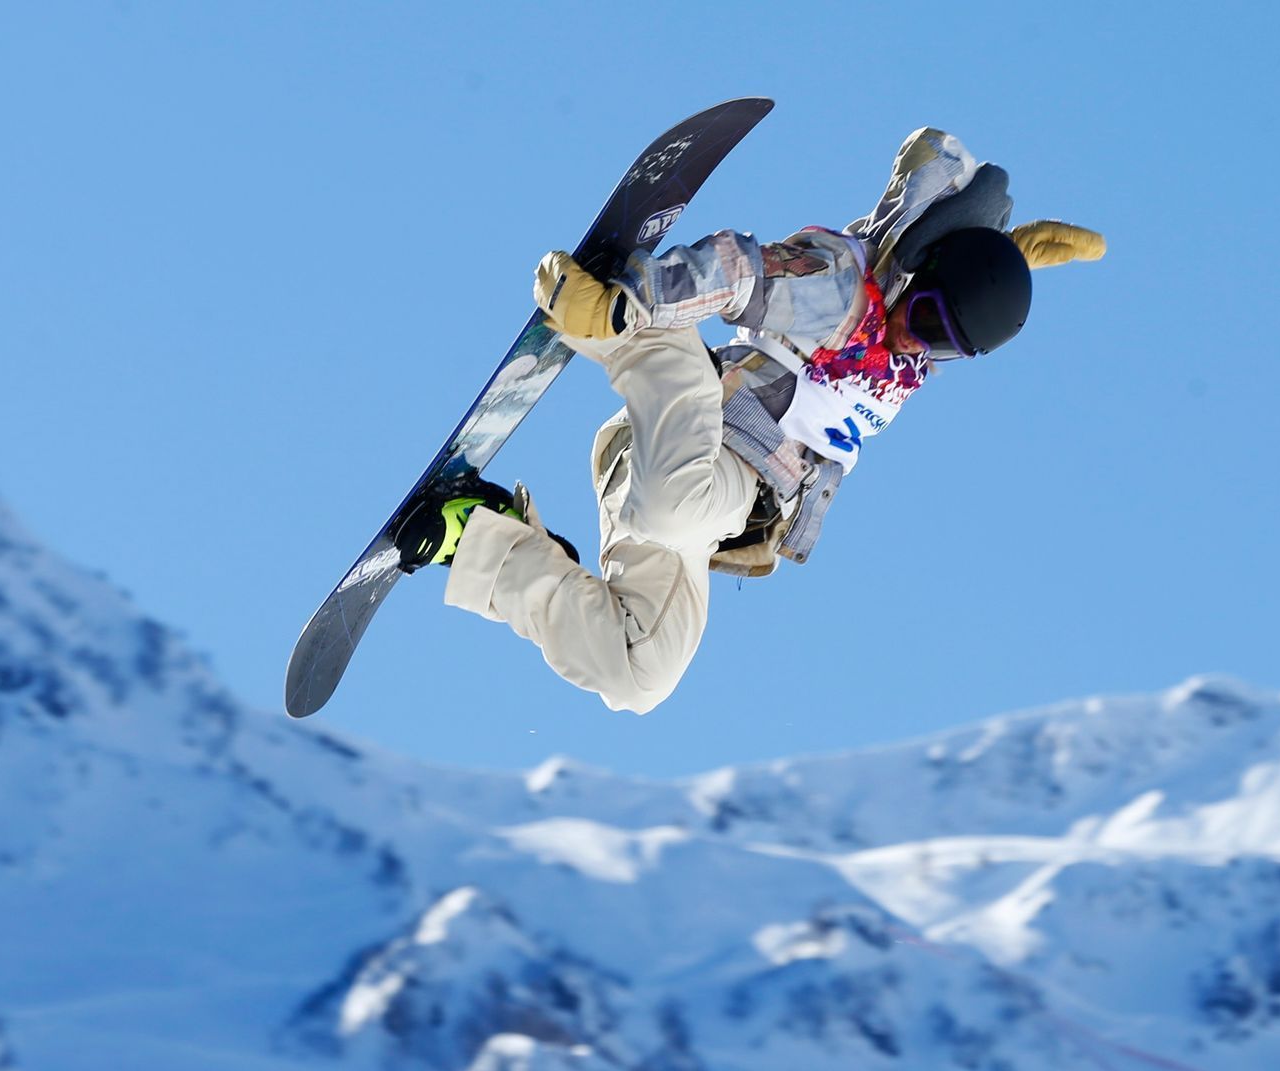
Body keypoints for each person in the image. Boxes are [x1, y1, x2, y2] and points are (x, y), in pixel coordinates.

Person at [392, 127, 1104, 714]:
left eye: (947, 343)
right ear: (918, 272)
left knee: (640, 678)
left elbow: (960, 289)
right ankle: (609, 316)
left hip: (700, 507)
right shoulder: (840, 290)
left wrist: (1011, 258)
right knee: (675, 498)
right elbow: (740, 273)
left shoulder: (905, 352)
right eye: (924, 316)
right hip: (695, 444)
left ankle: (478, 535)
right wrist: (627, 304)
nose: (921, 341)